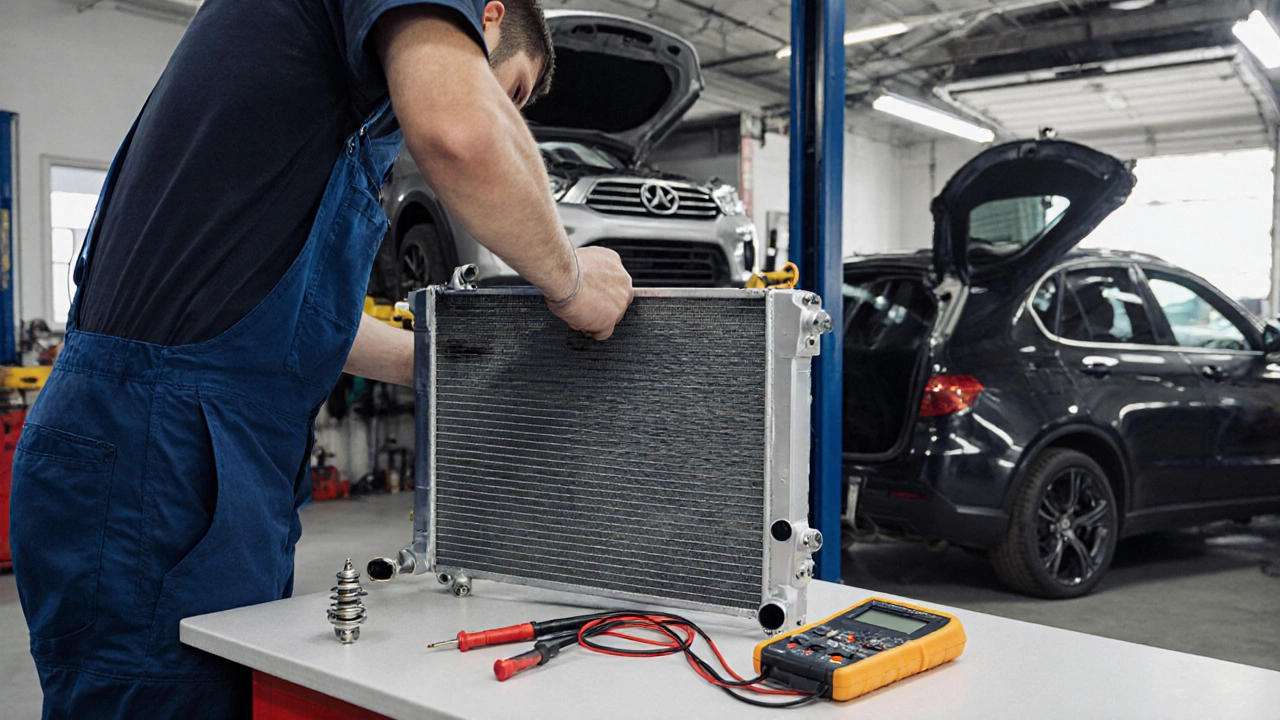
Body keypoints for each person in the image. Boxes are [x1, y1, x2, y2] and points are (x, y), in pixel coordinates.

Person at [10, 0, 634, 716]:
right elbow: (461, 131)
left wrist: (454, 362)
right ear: (487, 15)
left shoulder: (321, 100)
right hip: (157, 453)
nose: (509, 122)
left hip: (193, 454)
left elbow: (292, 318)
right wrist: (572, 281)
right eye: (512, 94)